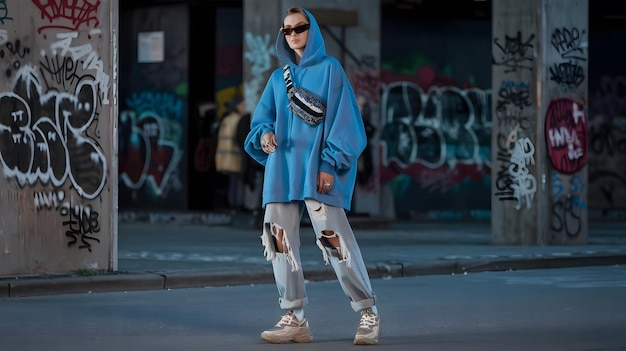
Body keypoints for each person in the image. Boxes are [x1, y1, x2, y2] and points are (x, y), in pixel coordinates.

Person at [243, 6, 379, 345]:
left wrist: (329, 164)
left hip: (317, 171)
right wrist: (263, 135)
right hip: (281, 172)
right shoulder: (278, 78)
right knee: (278, 242)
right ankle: (294, 316)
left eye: (299, 27)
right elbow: (261, 120)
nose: (292, 35)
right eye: (286, 30)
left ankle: (368, 312)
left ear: (312, 29)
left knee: (335, 241)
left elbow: (346, 124)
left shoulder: (331, 70)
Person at [215, 97, 247, 211]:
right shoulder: (238, 120)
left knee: (232, 182)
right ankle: (236, 204)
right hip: (235, 156)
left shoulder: (226, 119)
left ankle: (232, 204)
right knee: (236, 182)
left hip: (225, 157)